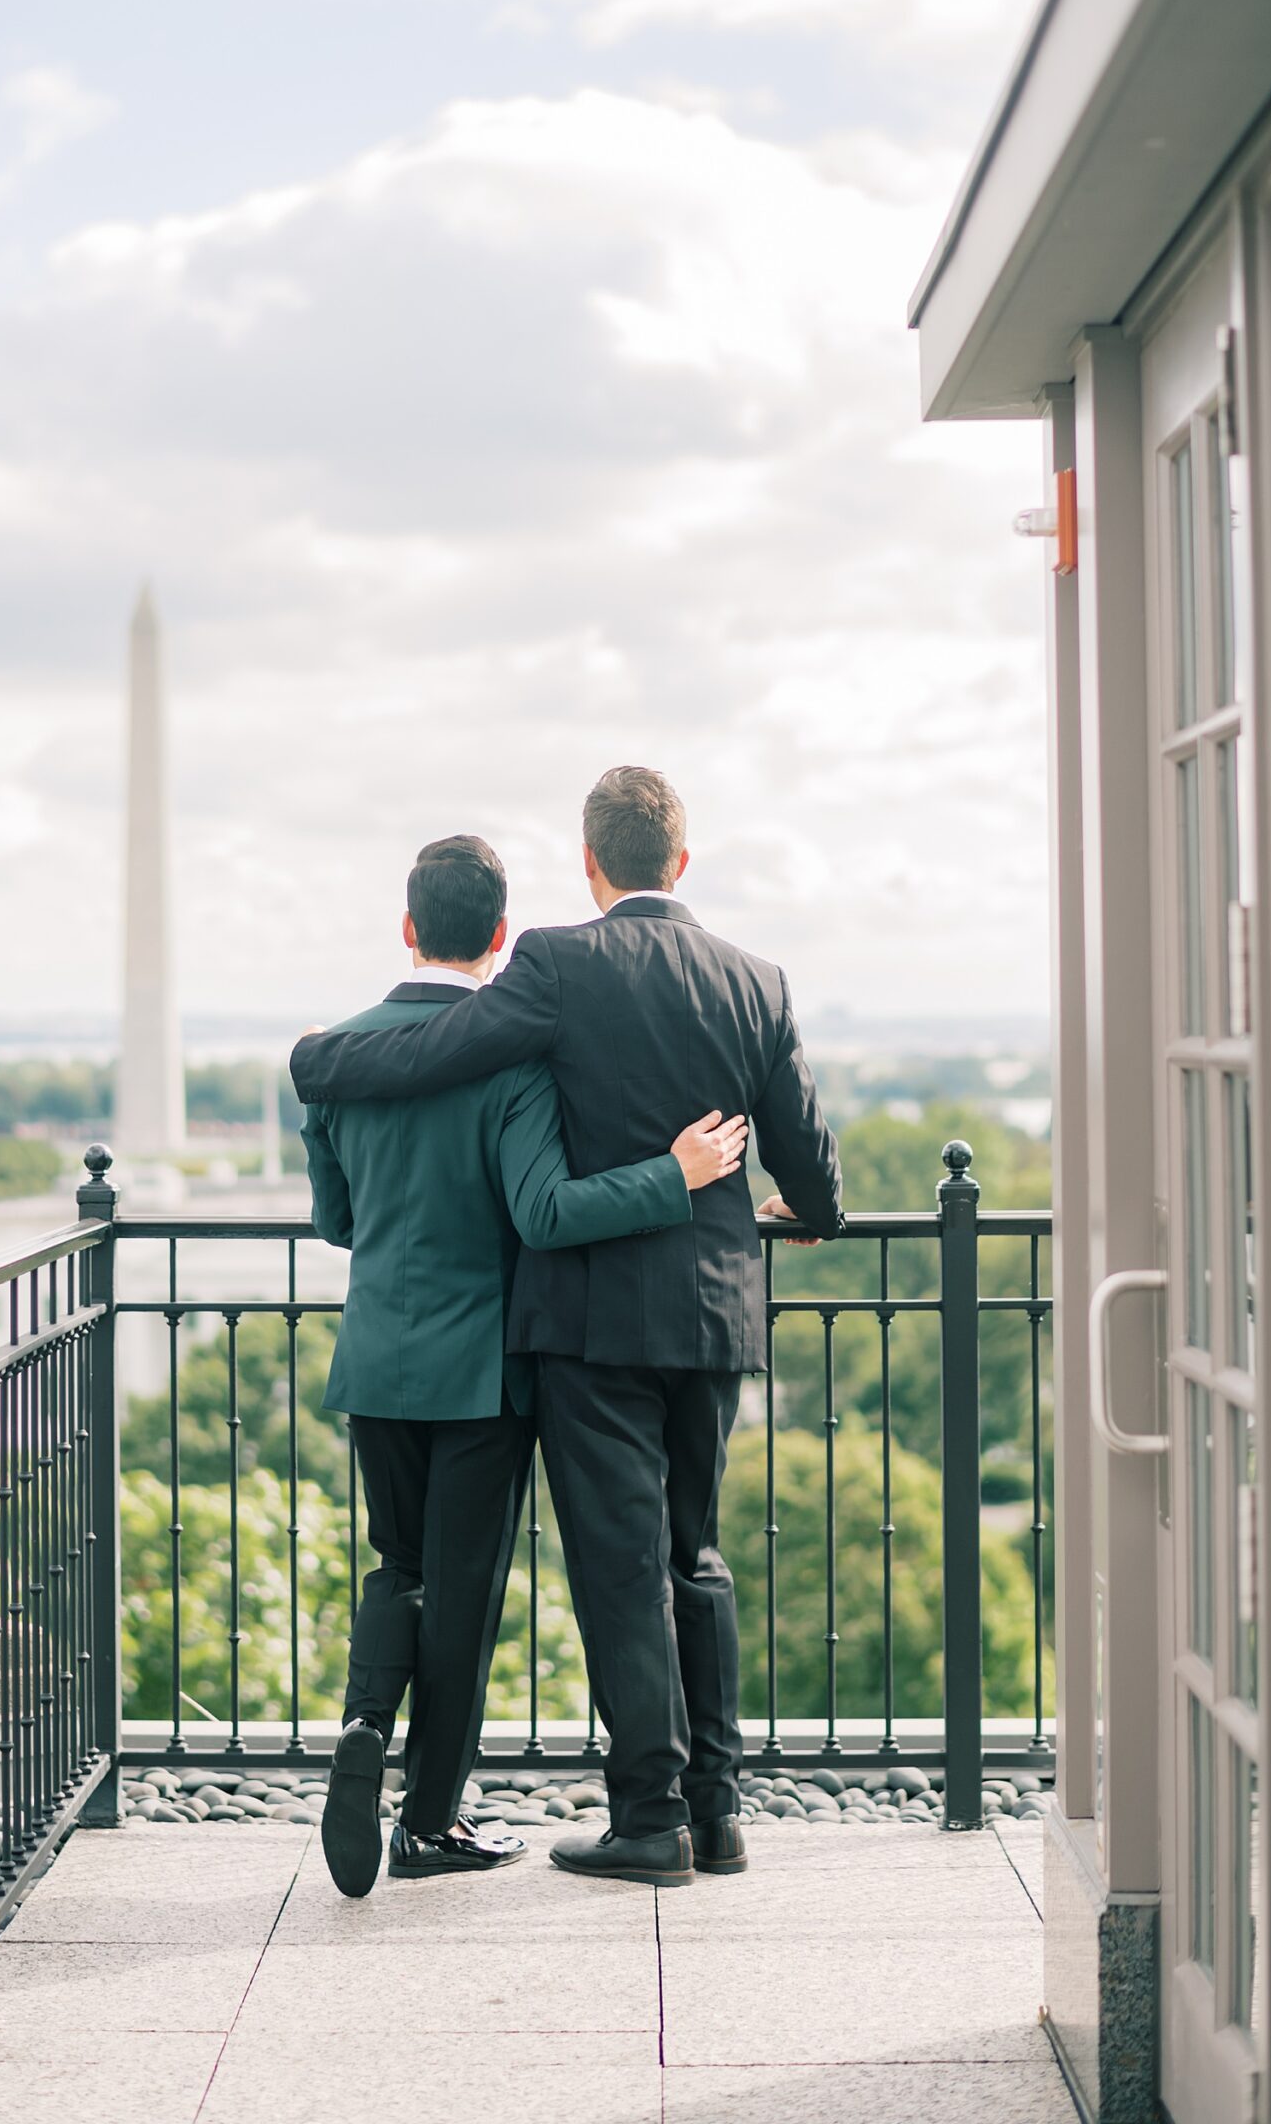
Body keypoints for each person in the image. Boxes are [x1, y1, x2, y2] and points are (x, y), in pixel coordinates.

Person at [291, 769, 844, 1887]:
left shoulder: (555, 964)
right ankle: (718, 1813)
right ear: (680, 862)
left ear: (590, 864)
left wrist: (317, 1062)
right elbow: (809, 1160)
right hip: (717, 1309)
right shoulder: (757, 979)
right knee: (694, 1558)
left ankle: (649, 1820)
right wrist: (807, 1215)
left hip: (591, 1319)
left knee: (616, 1570)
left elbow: (431, 1053)